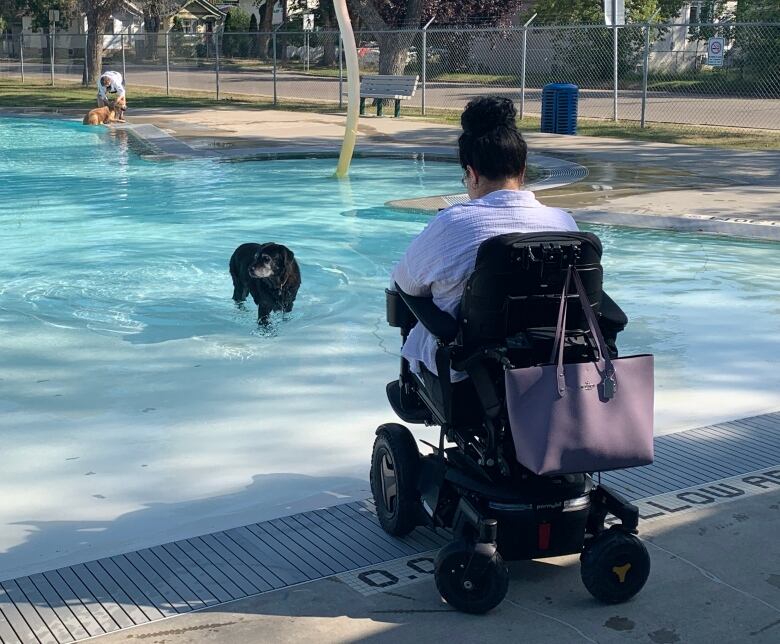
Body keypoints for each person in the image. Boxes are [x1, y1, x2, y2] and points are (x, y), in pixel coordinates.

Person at [391, 96, 579, 383]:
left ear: (472, 173)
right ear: (523, 169)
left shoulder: (451, 224)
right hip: (555, 366)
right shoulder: (564, 223)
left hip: (471, 376)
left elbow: (404, 284)